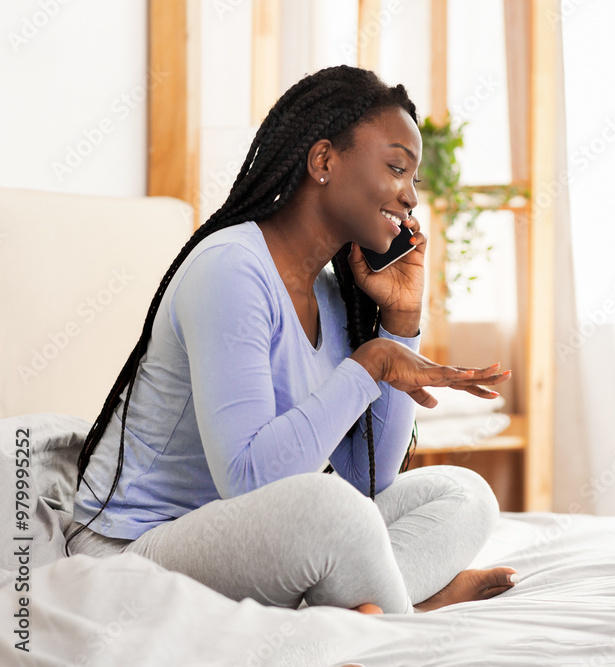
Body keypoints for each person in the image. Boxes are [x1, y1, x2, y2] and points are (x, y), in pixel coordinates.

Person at [64, 65, 519, 614]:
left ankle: (371, 604)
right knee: (328, 511)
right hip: (137, 550)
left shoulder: (330, 293)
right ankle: (407, 613)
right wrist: (369, 365)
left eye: (414, 179)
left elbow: (366, 478)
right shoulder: (231, 269)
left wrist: (400, 319)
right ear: (324, 161)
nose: (411, 199)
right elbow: (251, 483)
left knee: (463, 495)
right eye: (397, 168)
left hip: (249, 540)